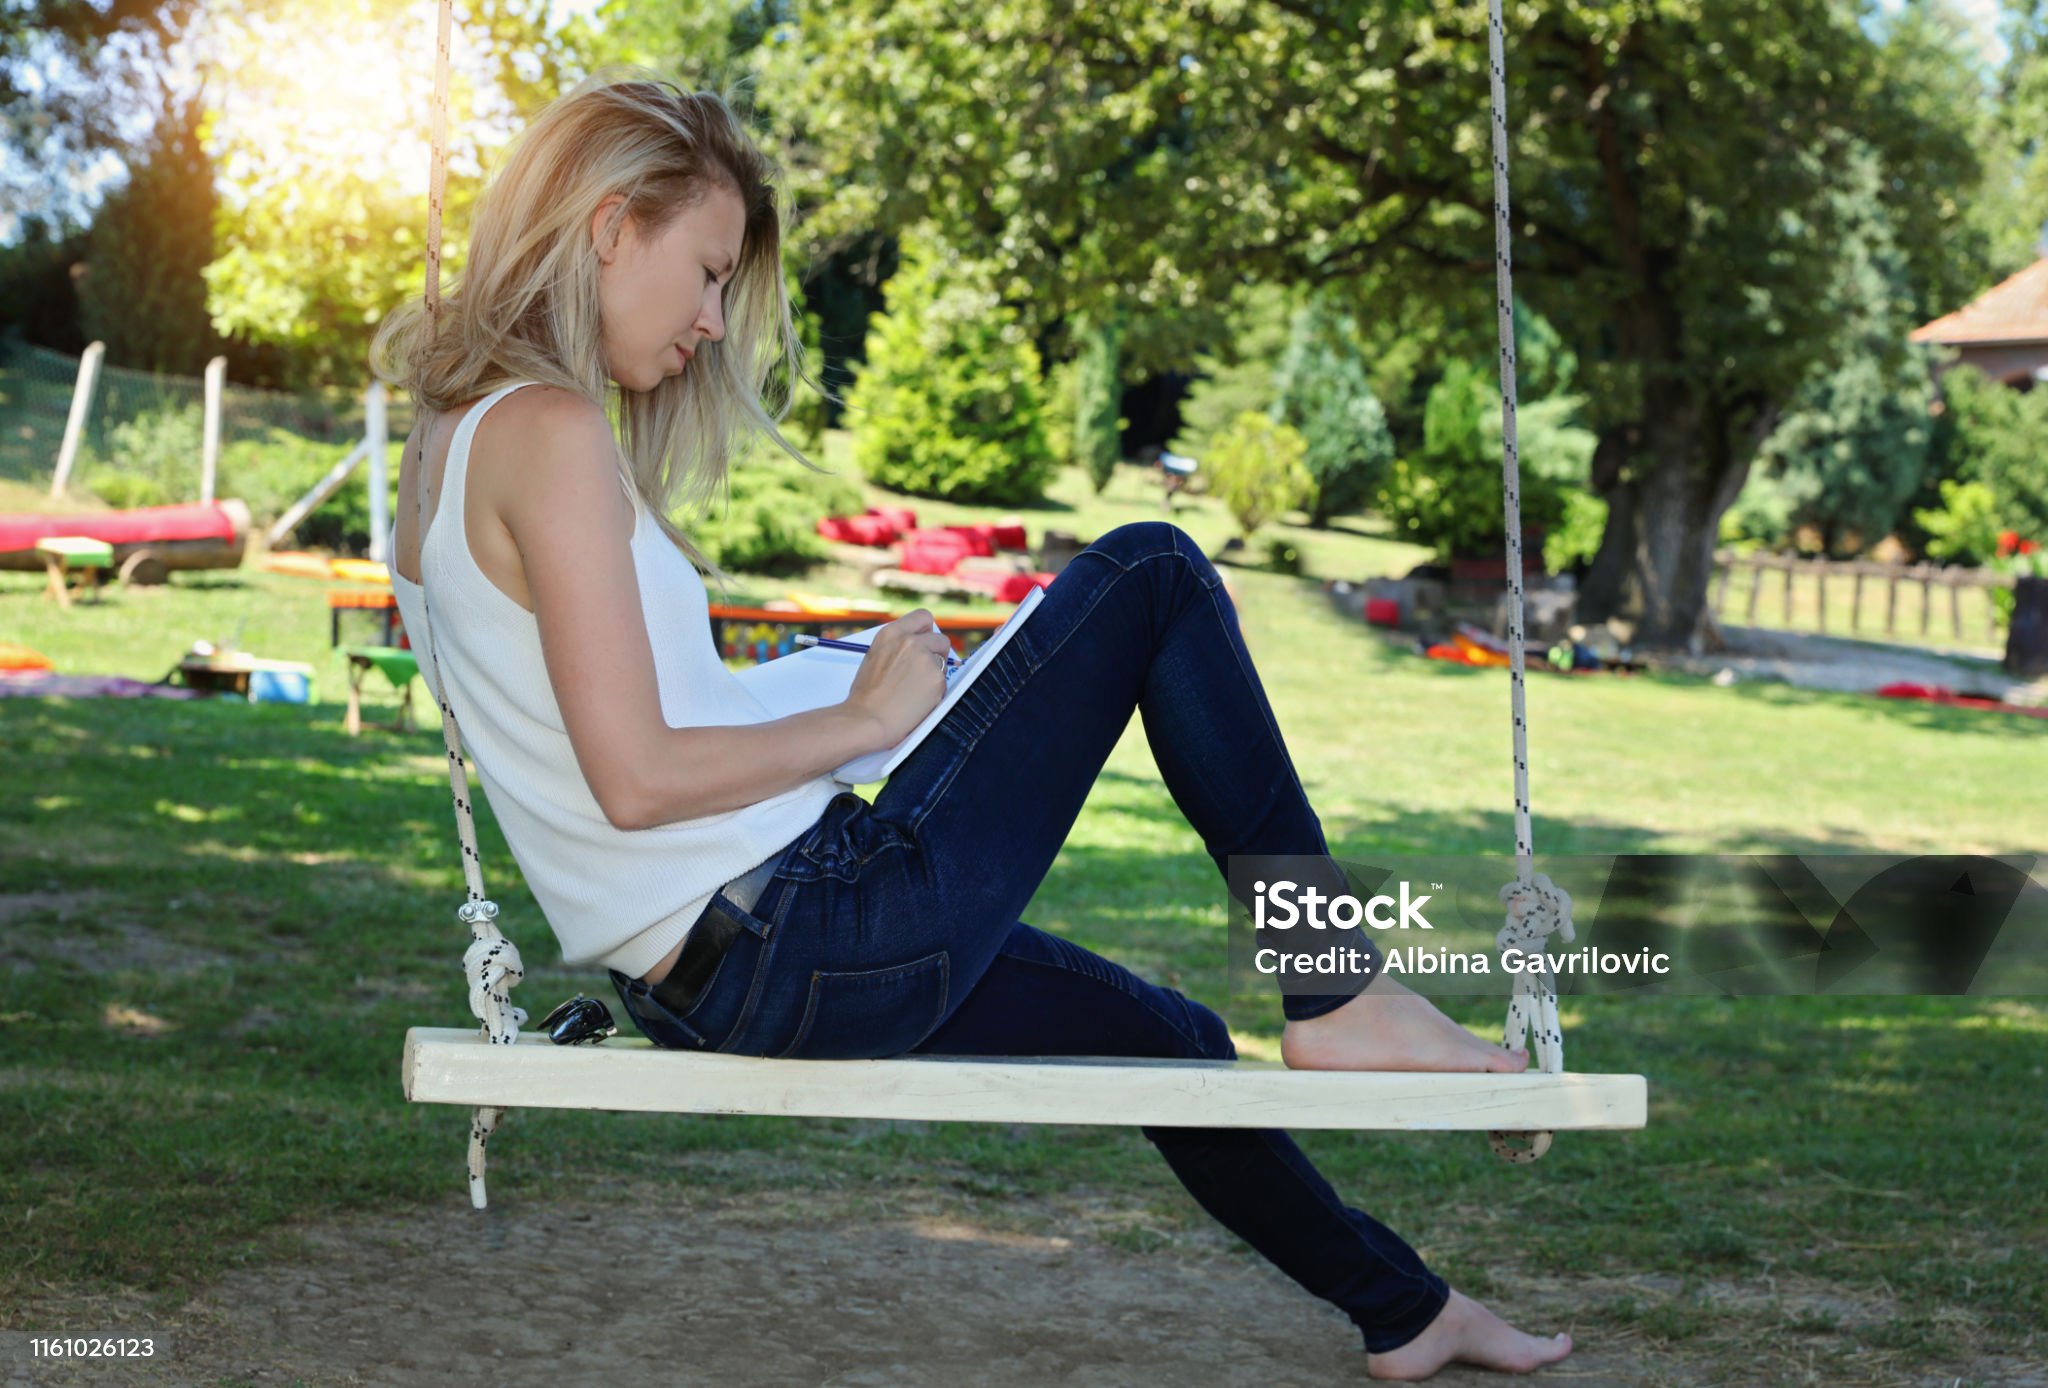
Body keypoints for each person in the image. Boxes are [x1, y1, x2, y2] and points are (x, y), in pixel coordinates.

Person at [373, 69, 1572, 1381]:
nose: (713, 324)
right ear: (611, 225)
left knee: (1165, 1042)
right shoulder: (547, 432)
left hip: (722, 967)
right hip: (802, 930)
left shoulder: (447, 443)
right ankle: (1339, 989)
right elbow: (638, 778)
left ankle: (1404, 1309)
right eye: (709, 273)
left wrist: (836, 688)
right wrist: (864, 720)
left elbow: (614, 737)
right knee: (1154, 576)